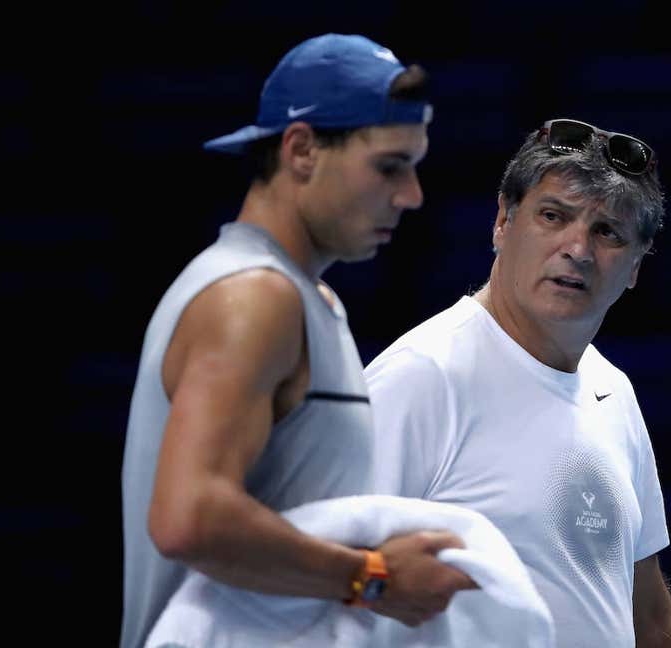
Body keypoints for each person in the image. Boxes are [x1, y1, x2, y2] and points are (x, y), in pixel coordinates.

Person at [119, 33, 475, 648]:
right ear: (302, 149)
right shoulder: (253, 298)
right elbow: (189, 518)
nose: (412, 196)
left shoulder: (310, 302)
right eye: (390, 167)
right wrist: (375, 578)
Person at [365, 118, 671, 647]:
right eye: (553, 216)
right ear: (502, 221)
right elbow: (319, 582)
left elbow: (652, 619)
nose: (578, 250)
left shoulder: (613, 392)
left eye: (608, 232)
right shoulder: (420, 376)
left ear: (635, 266)